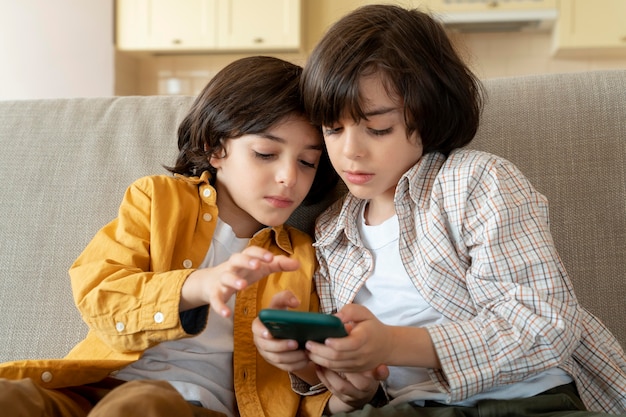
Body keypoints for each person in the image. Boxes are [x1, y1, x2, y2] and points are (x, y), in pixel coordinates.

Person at [253, 5, 626, 416]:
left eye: (378, 129)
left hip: (527, 399)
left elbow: (546, 326)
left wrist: (393, 343)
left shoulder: (477, 182)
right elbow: (364, 389)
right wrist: (324, 370)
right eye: (332, 129)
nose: (349, 152)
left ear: (428, 116)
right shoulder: (331, 233)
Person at [0, 55, 338, 417]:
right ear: (215, 147)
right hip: (92, 390)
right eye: (266, 153)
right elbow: (99, 294)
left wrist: (299, 362)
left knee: (143, 403)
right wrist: (197, 285)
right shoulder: (156, 200)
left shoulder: (300, 257)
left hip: (189, 406)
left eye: (307, 162)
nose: (289, 176)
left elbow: (314, 387)